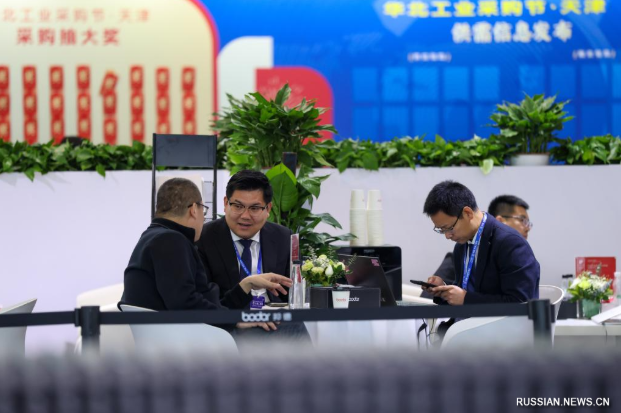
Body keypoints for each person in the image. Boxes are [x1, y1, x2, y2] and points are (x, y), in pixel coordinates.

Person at [120, 177, 292, 332]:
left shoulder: (156, 236)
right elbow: (185, 303)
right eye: (204, 210)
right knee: (293, 329)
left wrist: (246, 285)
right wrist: (236, 320)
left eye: (254, 208)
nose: (245, 216)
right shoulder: (171, 240)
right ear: (194, 210)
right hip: (186, 339)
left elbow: (207, 303)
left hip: (185, 334)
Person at [196, 170, 311, 344]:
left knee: (296, 325)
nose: (245, 216)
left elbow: (292, 292)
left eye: (255, 208)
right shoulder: (204, 238)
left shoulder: (282, 236)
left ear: (268, 209)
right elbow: (205, 301)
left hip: (273, 319)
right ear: (226, 204)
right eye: (238, 206)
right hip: (231, 323)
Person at [422, 181, 540, 306]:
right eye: (441, 230)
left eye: (449, 228)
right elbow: (464, 292)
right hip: (465, 318)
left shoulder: (510, 243)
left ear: (468, 213)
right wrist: (444, 290)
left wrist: (466, 299)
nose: (447, 236)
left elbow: (520, 302)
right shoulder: (461, 246)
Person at [430, 194, 534, 286]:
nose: (527, 228)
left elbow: (518, 299)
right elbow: (430, 296)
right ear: (500, 221)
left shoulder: (519, 255)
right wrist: (443, 289)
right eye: (522, 220)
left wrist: (464, 297)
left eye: (528, 222)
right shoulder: (462, 251)